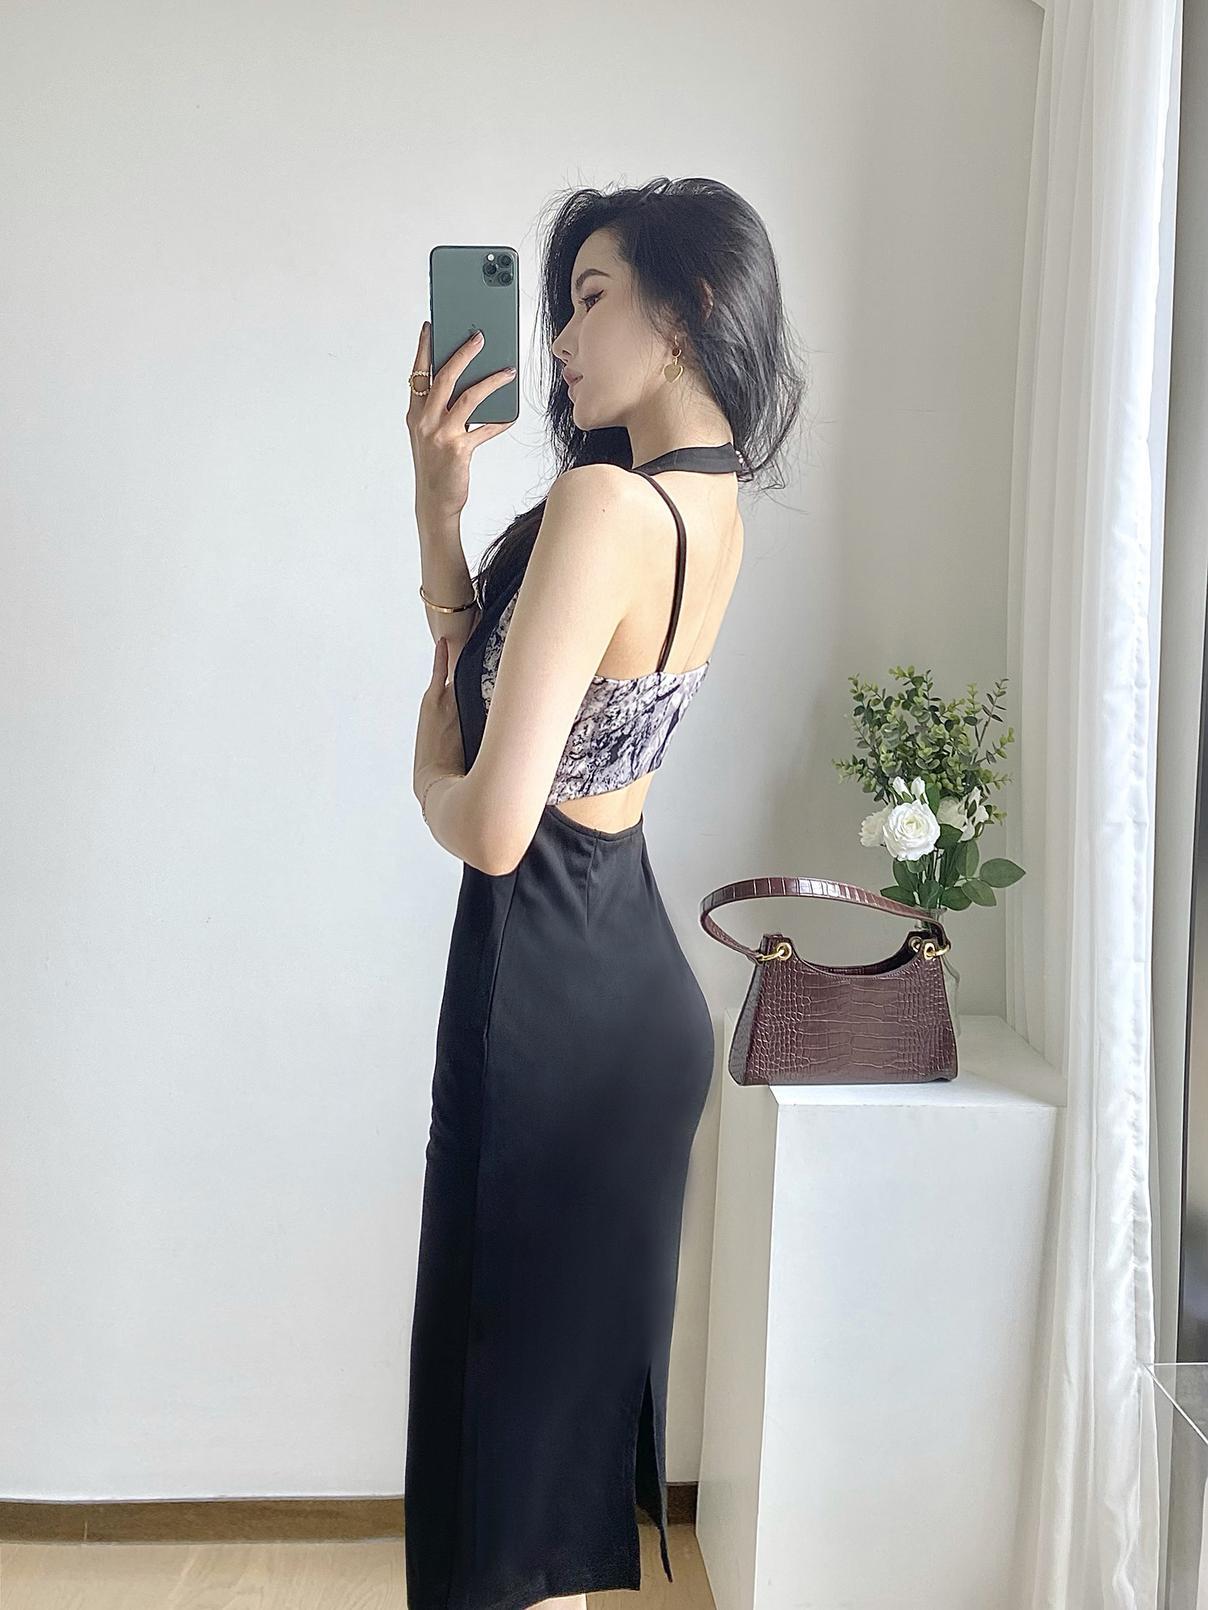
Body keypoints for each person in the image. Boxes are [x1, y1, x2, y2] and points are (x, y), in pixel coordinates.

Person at [403, 176, 808, 1610]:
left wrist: (428, 777)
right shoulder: (710, 507)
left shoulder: (602, 502)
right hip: (626, 993)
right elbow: (510, 680)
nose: (560, 340)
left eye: (588, 299)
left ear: (686, 311)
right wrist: (440, 509)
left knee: (492, 1476)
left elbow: (491, 826)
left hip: (542, 1001)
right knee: (542, 1482)